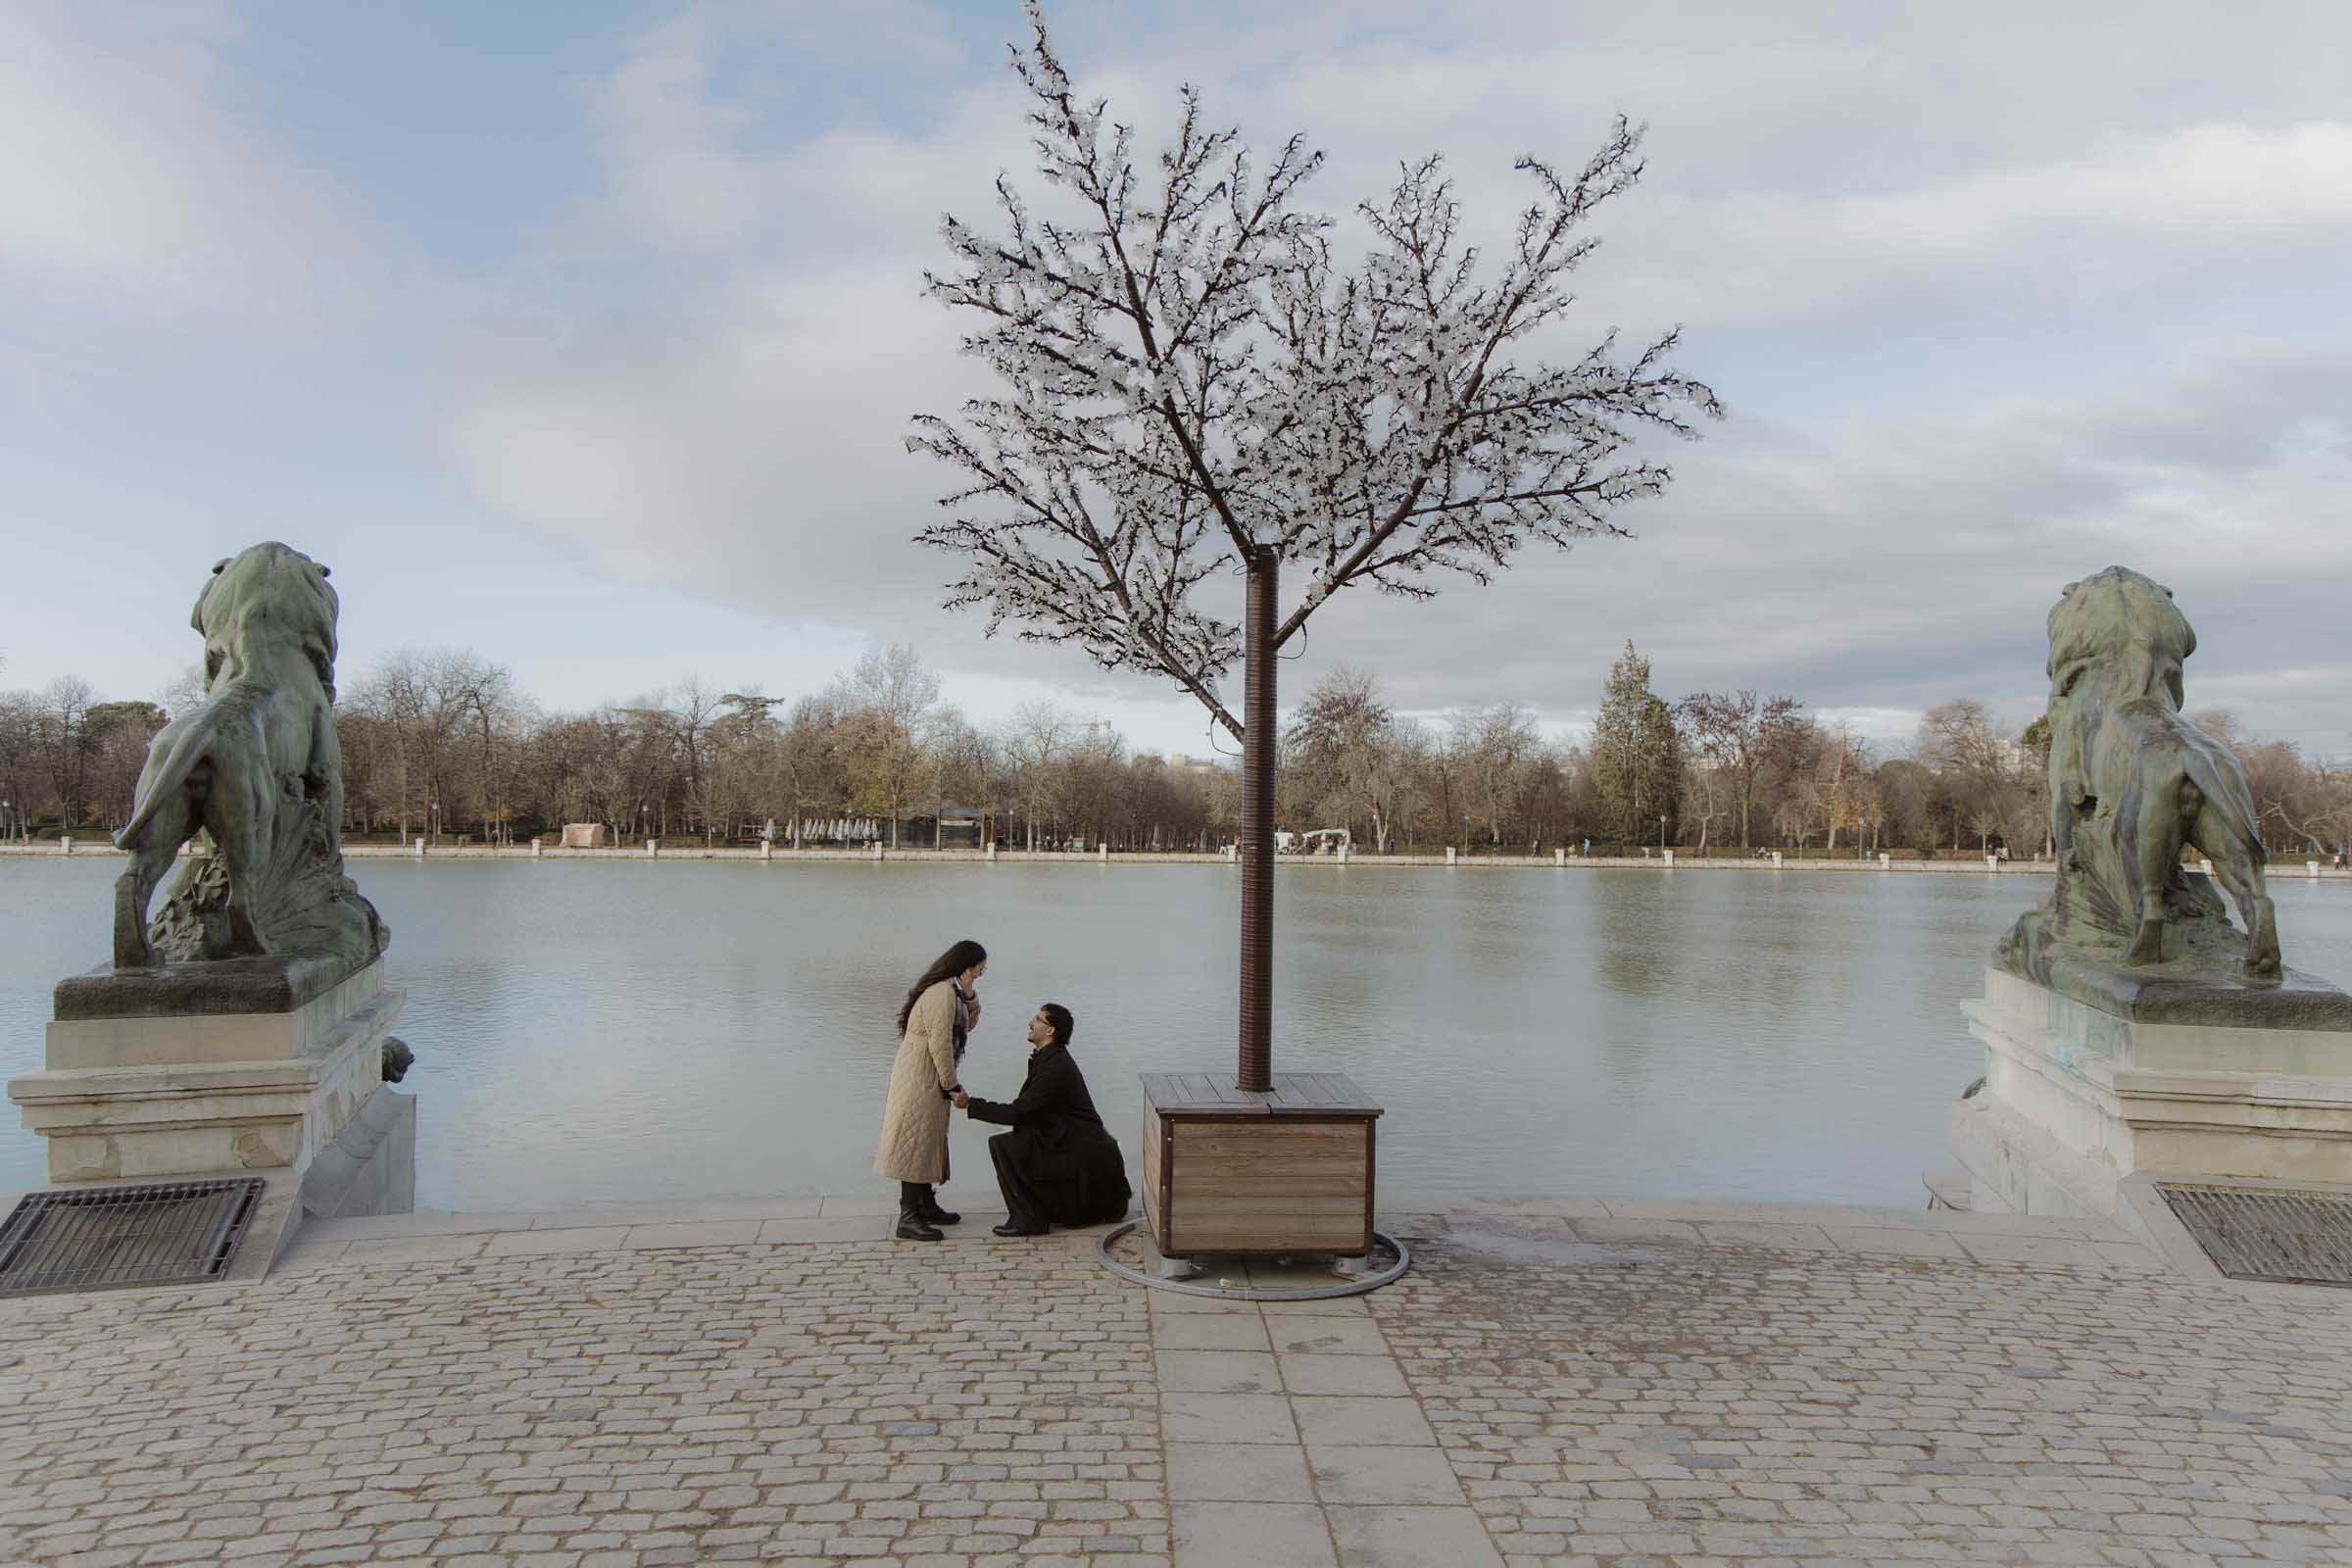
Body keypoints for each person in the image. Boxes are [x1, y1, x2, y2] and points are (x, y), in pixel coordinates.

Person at [953, 1003, 1131, 1237]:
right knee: (1019, 1139)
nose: (1030, 1022)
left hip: (1083, 1160)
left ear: (1050, 1031)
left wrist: (971, 1104)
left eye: (1037, 1019)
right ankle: (1039, 1210)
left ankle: (1029, 1219)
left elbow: (1018, 1113)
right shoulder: (1050, 1059)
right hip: (1075, 1146)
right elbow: (1029, 1113)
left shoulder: (1055, 1068)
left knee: (1004, 1145)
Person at [874, 938, 986, 1241]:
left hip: (925, 1073)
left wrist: (971, 996)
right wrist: (952, 1085)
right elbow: (940, 1045)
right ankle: (908, 1217)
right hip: (920, 1076)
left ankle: (925, 1203)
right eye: (978, 970)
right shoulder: (941, 996)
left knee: (927, 1138)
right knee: (916, 1141)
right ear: (966, 967)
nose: (979, 974)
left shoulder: (954, 994)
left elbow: (967, 1027)